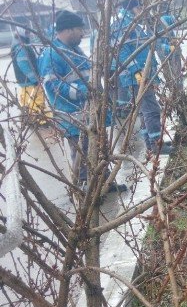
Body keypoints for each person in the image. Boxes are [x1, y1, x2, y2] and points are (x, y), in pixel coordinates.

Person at [38, 11, 126, 193]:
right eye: (79, 29)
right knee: (83, 153)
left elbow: (89, 77)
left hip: (89, 113)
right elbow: (52, 85)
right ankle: (86, 189)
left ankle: (105, 182)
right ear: (68, 29)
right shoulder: (52, 54)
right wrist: (83, 92)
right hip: (74, 116)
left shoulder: (74, 50)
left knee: (100, 148)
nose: (82, 34)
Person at [110, 0, 172, 155]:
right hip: (137, 76)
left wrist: (166, 48)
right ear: (134, 8)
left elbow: (148, 44)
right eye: (141, 7)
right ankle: (156, 144)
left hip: (142, 73)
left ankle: (152, 142)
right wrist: (136, 71)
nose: (144, 10)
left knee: (146, 110)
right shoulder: (123, 24)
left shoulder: (133, 23)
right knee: (151, 109)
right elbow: (121, 51)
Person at [11, 26, 49, 125]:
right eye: (27, 32)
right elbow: (24, 64)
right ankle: (40, 121)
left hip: (23, 80)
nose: (29, 34)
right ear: (22, 32)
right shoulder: (21, 46)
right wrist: (34, 79)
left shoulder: (19, 43)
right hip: (29, 80)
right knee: (37, 98)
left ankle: (28, 117)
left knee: (27, 99)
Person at [156, 11, 183, 96]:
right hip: (167, 54)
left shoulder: (169, 21)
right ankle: (174, 91)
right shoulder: (163, 22)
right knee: (170, 73)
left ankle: (179, 91)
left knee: (178, 73)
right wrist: (169, 48)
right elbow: (158, 45)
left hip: (174, 51)